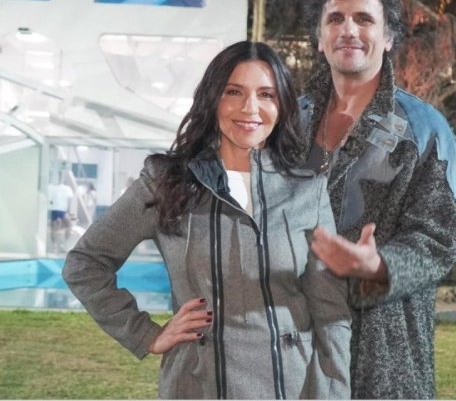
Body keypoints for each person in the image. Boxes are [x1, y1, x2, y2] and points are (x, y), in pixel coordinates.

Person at [62, 41, 351, 399]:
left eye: (266, 94)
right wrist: (145, 334)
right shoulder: (167, 182)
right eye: (234, 92)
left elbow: (331, 310)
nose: (250, 108)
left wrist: (335, 391)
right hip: (197, 385)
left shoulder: (307, 189)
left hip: (292, 387)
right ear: (213, 99)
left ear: (282, 106)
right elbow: (85, 263)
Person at [300, 0, 456, 399]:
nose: (348, 30)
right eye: (335, 19)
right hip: (292, 346)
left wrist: (378, 265)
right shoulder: (286, 123)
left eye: (364, 19)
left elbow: (440, 241)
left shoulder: (425, 130)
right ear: (319, 38)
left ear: (389, 37)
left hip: (381, 354)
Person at [48, 177, 74, 251]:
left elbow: (50, 201)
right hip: (62, 211)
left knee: (53, 228)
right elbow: (70, 200)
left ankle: (54, 245)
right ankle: (63, 244)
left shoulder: (52, 188)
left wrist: (52, 206)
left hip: (54, 210)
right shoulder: (67, 188)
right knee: (69, 225)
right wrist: (69, 211)